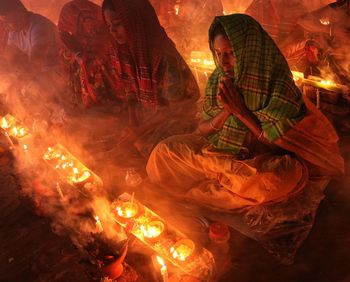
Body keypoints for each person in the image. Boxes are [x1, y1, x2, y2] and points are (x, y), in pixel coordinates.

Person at [147, 14, 344, 210]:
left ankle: (204, 192)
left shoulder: (277, 85)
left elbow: (283, 147)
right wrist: (226, 113)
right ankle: (221, 189)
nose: (223, 62)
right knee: (162, 155)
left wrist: (241, 112)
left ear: (249, 50)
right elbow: (201, 131)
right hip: (219, 156)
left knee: (281, 178)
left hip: (257, 161)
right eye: (218, 53)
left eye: (231, 53)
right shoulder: (219, 78)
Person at [102, 0, 199, 158]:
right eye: (108, 25)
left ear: (136, 21)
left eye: (118, 24)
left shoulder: (163, 56)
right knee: (114, 135)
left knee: (154, 151)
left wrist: (138, 132)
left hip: (175, 118)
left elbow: (174, 109)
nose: (112, 31)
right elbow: (130, 95)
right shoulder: (124, 51)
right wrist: (132, 125)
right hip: (149, 117)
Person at [58, 0, 120, 108]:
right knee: (66, 56)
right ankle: (81, 98)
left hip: (103, 50)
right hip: (84, 48)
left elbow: (105, 37)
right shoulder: (70, 13)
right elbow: (63, 35)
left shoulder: (101, 19)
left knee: (92, 62)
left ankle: (105, 99)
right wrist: (78, 53)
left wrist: (88, 54)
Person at [0, 0, 62, 71]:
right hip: (39, 74)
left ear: (19, 12)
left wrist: (19, 80)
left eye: (7, 20)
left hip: (56, 72)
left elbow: (35, 63)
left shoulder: (39, 26)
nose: (5, 26)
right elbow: (9, 56)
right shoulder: (14, 30)